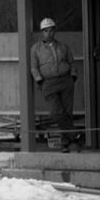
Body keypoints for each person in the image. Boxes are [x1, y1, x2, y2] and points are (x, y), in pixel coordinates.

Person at [30, 16, 78, 148]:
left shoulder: (63, 47)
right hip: (49, 83)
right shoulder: (36, 49)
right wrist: (40, 81)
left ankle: (65, 141)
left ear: (55, 31)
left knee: (67, 112)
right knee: (56, 112)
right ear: (41, 32)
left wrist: (73, 76)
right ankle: (73, 135)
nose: (49, 33)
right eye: (46, 31)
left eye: (51, 30)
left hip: (65, 81)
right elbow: (34, 67)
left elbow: (71, 62)